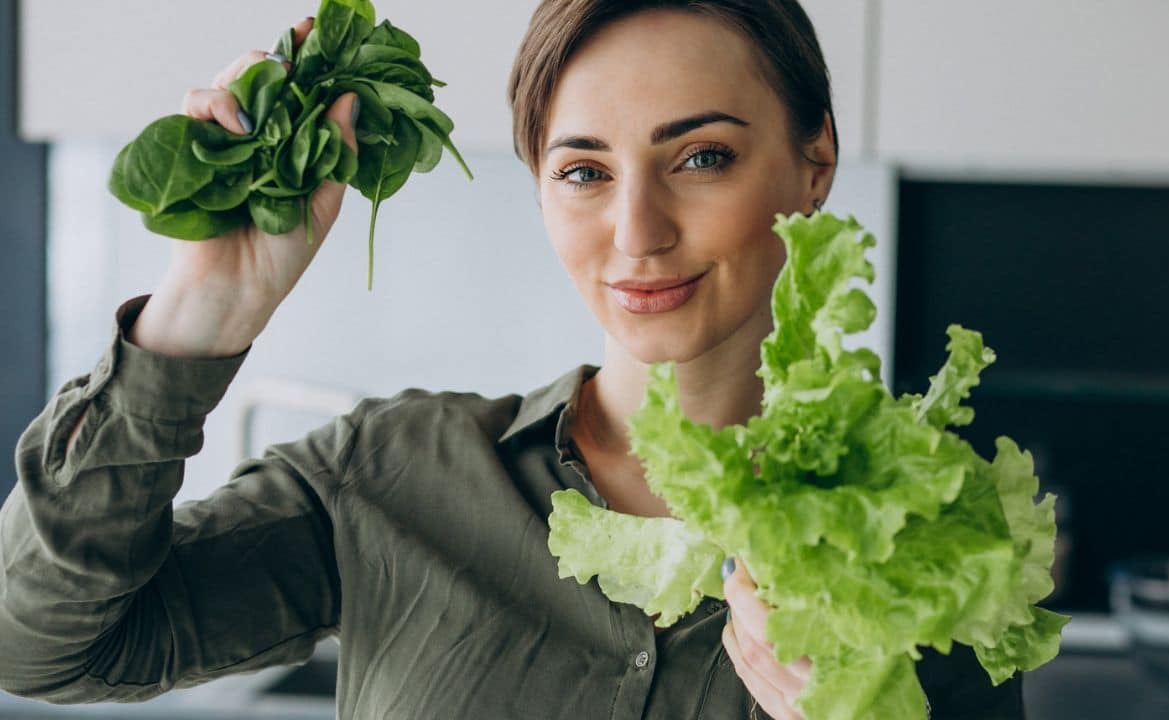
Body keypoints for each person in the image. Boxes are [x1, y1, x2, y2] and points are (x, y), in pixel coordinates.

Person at [0, 2, 1024, 718]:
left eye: (699, 157)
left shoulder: (927, 538)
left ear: (813, 163)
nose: (635, 230)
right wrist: (198, 316)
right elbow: (42, 646)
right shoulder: (391, 477)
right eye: (583, 170)